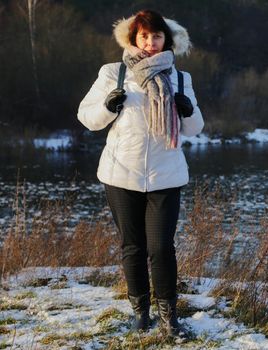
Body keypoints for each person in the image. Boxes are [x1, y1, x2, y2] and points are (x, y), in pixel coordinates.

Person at [77, 10, 204, 337]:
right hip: (121, 174)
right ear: (133, 39)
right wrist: (108, 105)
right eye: (144, 36)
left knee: (161, 247)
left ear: (167, 40)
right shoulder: (113, 73)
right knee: (132, 246)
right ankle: (141, 315)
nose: (151, 42)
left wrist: (186, 110)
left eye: (157, 36)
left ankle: (169, 319)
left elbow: (194, 129)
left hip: (166, 174)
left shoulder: (179, 78)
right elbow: (87, 117)